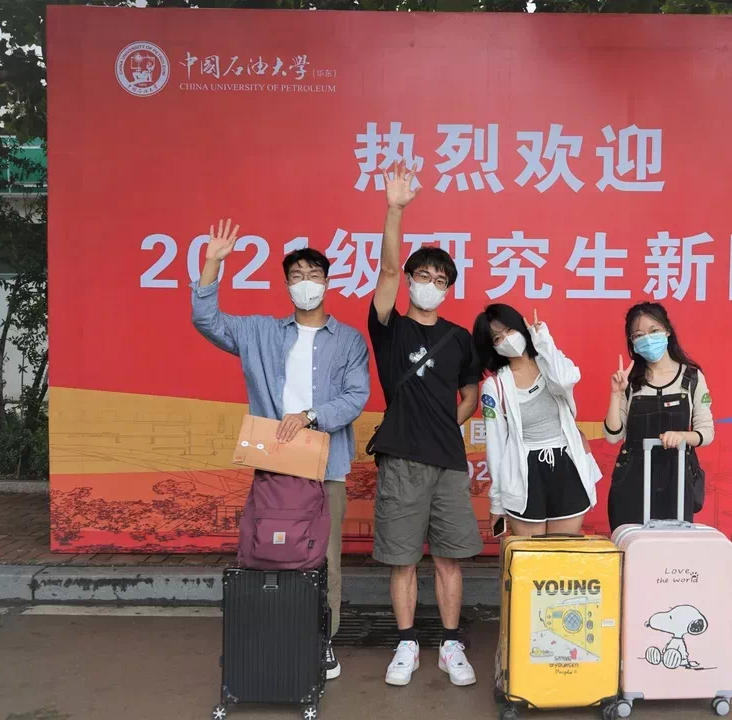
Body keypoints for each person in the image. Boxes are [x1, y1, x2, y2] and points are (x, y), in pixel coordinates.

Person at [192, 219, 370, 681]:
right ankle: (276, 636)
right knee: (271, 552)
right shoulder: (260, 332)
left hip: (326, 466)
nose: (305, 283)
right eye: (296, 276)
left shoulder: (349, 340)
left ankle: (322, 641)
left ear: (327, 282)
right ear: (287, 286)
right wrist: (212, 263)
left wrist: (311, 415)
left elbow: (356, 396)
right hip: (274, 466)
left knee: (324, 559)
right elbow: (207, 320)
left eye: (313, 275)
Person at [368, 162, 484, 688]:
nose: (431, 286)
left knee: (451, 560)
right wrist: (395, 209)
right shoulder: (388, 327)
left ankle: (451, 646)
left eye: (441, 281)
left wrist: (443, 421)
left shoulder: (460, 338)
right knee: (402, 561)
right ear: (411, 281)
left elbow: (471, 395)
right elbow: (388, 270)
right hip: (401, 462)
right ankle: (407, 644)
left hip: (449, 465)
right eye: (425, 277)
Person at [473, 304, 601, 537]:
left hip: (566, 463)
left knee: (564, 551)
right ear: (492, 347)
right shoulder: (495, 386)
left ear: (522, 327)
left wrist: (543, 341)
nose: (507, 340)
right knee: (531, 554)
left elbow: (566, 379)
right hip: (525, 472)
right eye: (498, 338)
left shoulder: (549, 363)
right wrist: (497, 503)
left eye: (510, 330)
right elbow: (496, 448)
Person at [603, 301, 714, 529]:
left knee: (672, 545)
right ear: (633, 343)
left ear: (667, 331)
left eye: (654, 331)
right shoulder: (629, 380)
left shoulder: (691, 378)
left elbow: (706, 432)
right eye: (639, 335)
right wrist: (616, 393)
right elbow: (613, 436)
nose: (647, 338)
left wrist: (682, 436)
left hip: (677, 479)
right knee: (632, 545)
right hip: (632, 480)